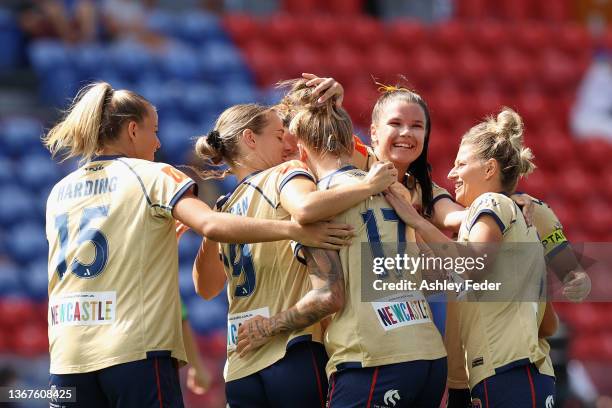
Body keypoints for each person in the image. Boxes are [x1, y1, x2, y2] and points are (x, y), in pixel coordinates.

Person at [43, 82, 353, 407]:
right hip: (137, 349)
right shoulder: (155, 175)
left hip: (67, 354)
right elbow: (211, 225)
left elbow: (204, 286)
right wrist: (293, 229)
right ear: (133, 130)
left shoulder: (59, 191)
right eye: (154, 130)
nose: (159, 142)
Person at [238, 90, 449, 407]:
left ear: (302, 156)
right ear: (353, 146)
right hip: (430, 357)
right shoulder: (397, 194)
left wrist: (269, 326)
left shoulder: (322, 205)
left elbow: (328, 297)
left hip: (374, 359)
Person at [192, 103, 397, 408]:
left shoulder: (226, 208)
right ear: (250, 139)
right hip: (291, 350)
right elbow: (305, 208)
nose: (289, 144)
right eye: (278, 136)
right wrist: (367, 185)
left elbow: (205, 288)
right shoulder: (285, 173)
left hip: (240, 363)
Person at [384, 107, 556, 407]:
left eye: (460, 164)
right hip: (519, 370)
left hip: (507, 371)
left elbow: (470, 266)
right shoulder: (518, 224)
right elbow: (549, 325)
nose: (451, 173)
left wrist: (416, 220)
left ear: (489, 169)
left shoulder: (491, 202)